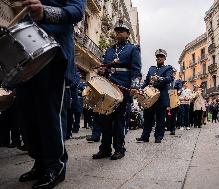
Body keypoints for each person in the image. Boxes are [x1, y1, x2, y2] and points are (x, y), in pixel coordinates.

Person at [15, 1, 85, 188]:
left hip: (53, 53)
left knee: (49, 116)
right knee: (28, 116)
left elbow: (77, 11)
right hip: (23, 55)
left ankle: (55, 166)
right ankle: (40, 163)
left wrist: (44, 12)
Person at [92, 19, 142, 160]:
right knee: (105, 120)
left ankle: (119, 149)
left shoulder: (133, 49)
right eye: (117, 31)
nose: (118, 33)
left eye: (122, 31)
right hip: (108, 88)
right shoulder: (109, 50)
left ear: (127, 34)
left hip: (123, 89)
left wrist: (134, 86)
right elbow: (104, 68)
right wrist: (102, 70)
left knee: (119, 121)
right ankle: (105, 149)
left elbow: (136, 70)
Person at [136, 49, 174, 143]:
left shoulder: (168, 68)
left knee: (160, 118)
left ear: (164, 58)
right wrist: (140, 89)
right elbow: (146, 81)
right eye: (158, 56)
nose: (159, 58)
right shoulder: (151, 68)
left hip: (161, 97)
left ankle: (158, 136)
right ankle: (145, 136)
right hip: (150, 96)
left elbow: (169, 79)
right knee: (147, 117)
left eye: (161, 56)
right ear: (156, 58)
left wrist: (159, 78)